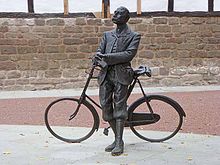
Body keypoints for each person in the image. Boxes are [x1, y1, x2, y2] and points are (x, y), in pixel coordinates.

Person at [94, 6, 141, 156]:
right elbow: (100, 52)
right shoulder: (107, 35)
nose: (115, 15)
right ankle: (116, 138)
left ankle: (119, 141)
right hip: (106, 74)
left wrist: (106, 57)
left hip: (121, 75)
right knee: (106, 110)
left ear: (126, 18)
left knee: (120, 107)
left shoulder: (134, 36)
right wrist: (97, 58)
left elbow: (128, 55)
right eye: (115, 12)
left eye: (119, 13)